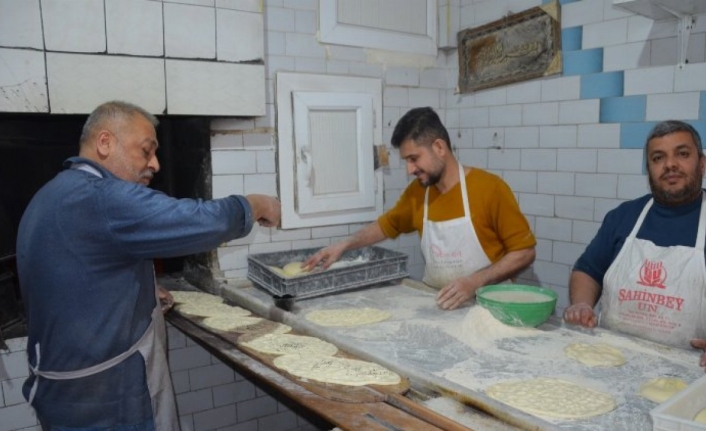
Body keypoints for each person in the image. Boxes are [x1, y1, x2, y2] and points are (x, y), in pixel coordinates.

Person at [16, 101, 281, 431]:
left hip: (62, 394)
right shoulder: (102, 198)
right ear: (105, 143)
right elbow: (196, 220)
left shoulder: (53, 193)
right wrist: (255, 205)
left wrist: (139, 288)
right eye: (145, 151)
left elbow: (75, 274)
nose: (155, 164)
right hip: (105, 402)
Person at [303, 107, 536, 310]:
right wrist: (345, 244)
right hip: (440, 305)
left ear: (439, 147)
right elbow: (387, 225)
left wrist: (475, 282)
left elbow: (524, 252)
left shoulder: (490, 189)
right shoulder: (418, 193)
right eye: (406, 160)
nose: (409, 169)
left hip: (490, 310)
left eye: (414, 158)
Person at [564, 120, 706, 368]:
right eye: (658, 158)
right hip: (609, 358)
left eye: (682, 154)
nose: (670, 164)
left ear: (702, 163)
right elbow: (587, 271)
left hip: (689, 369)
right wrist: (582, 304)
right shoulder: (624, 216)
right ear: (649, 169)